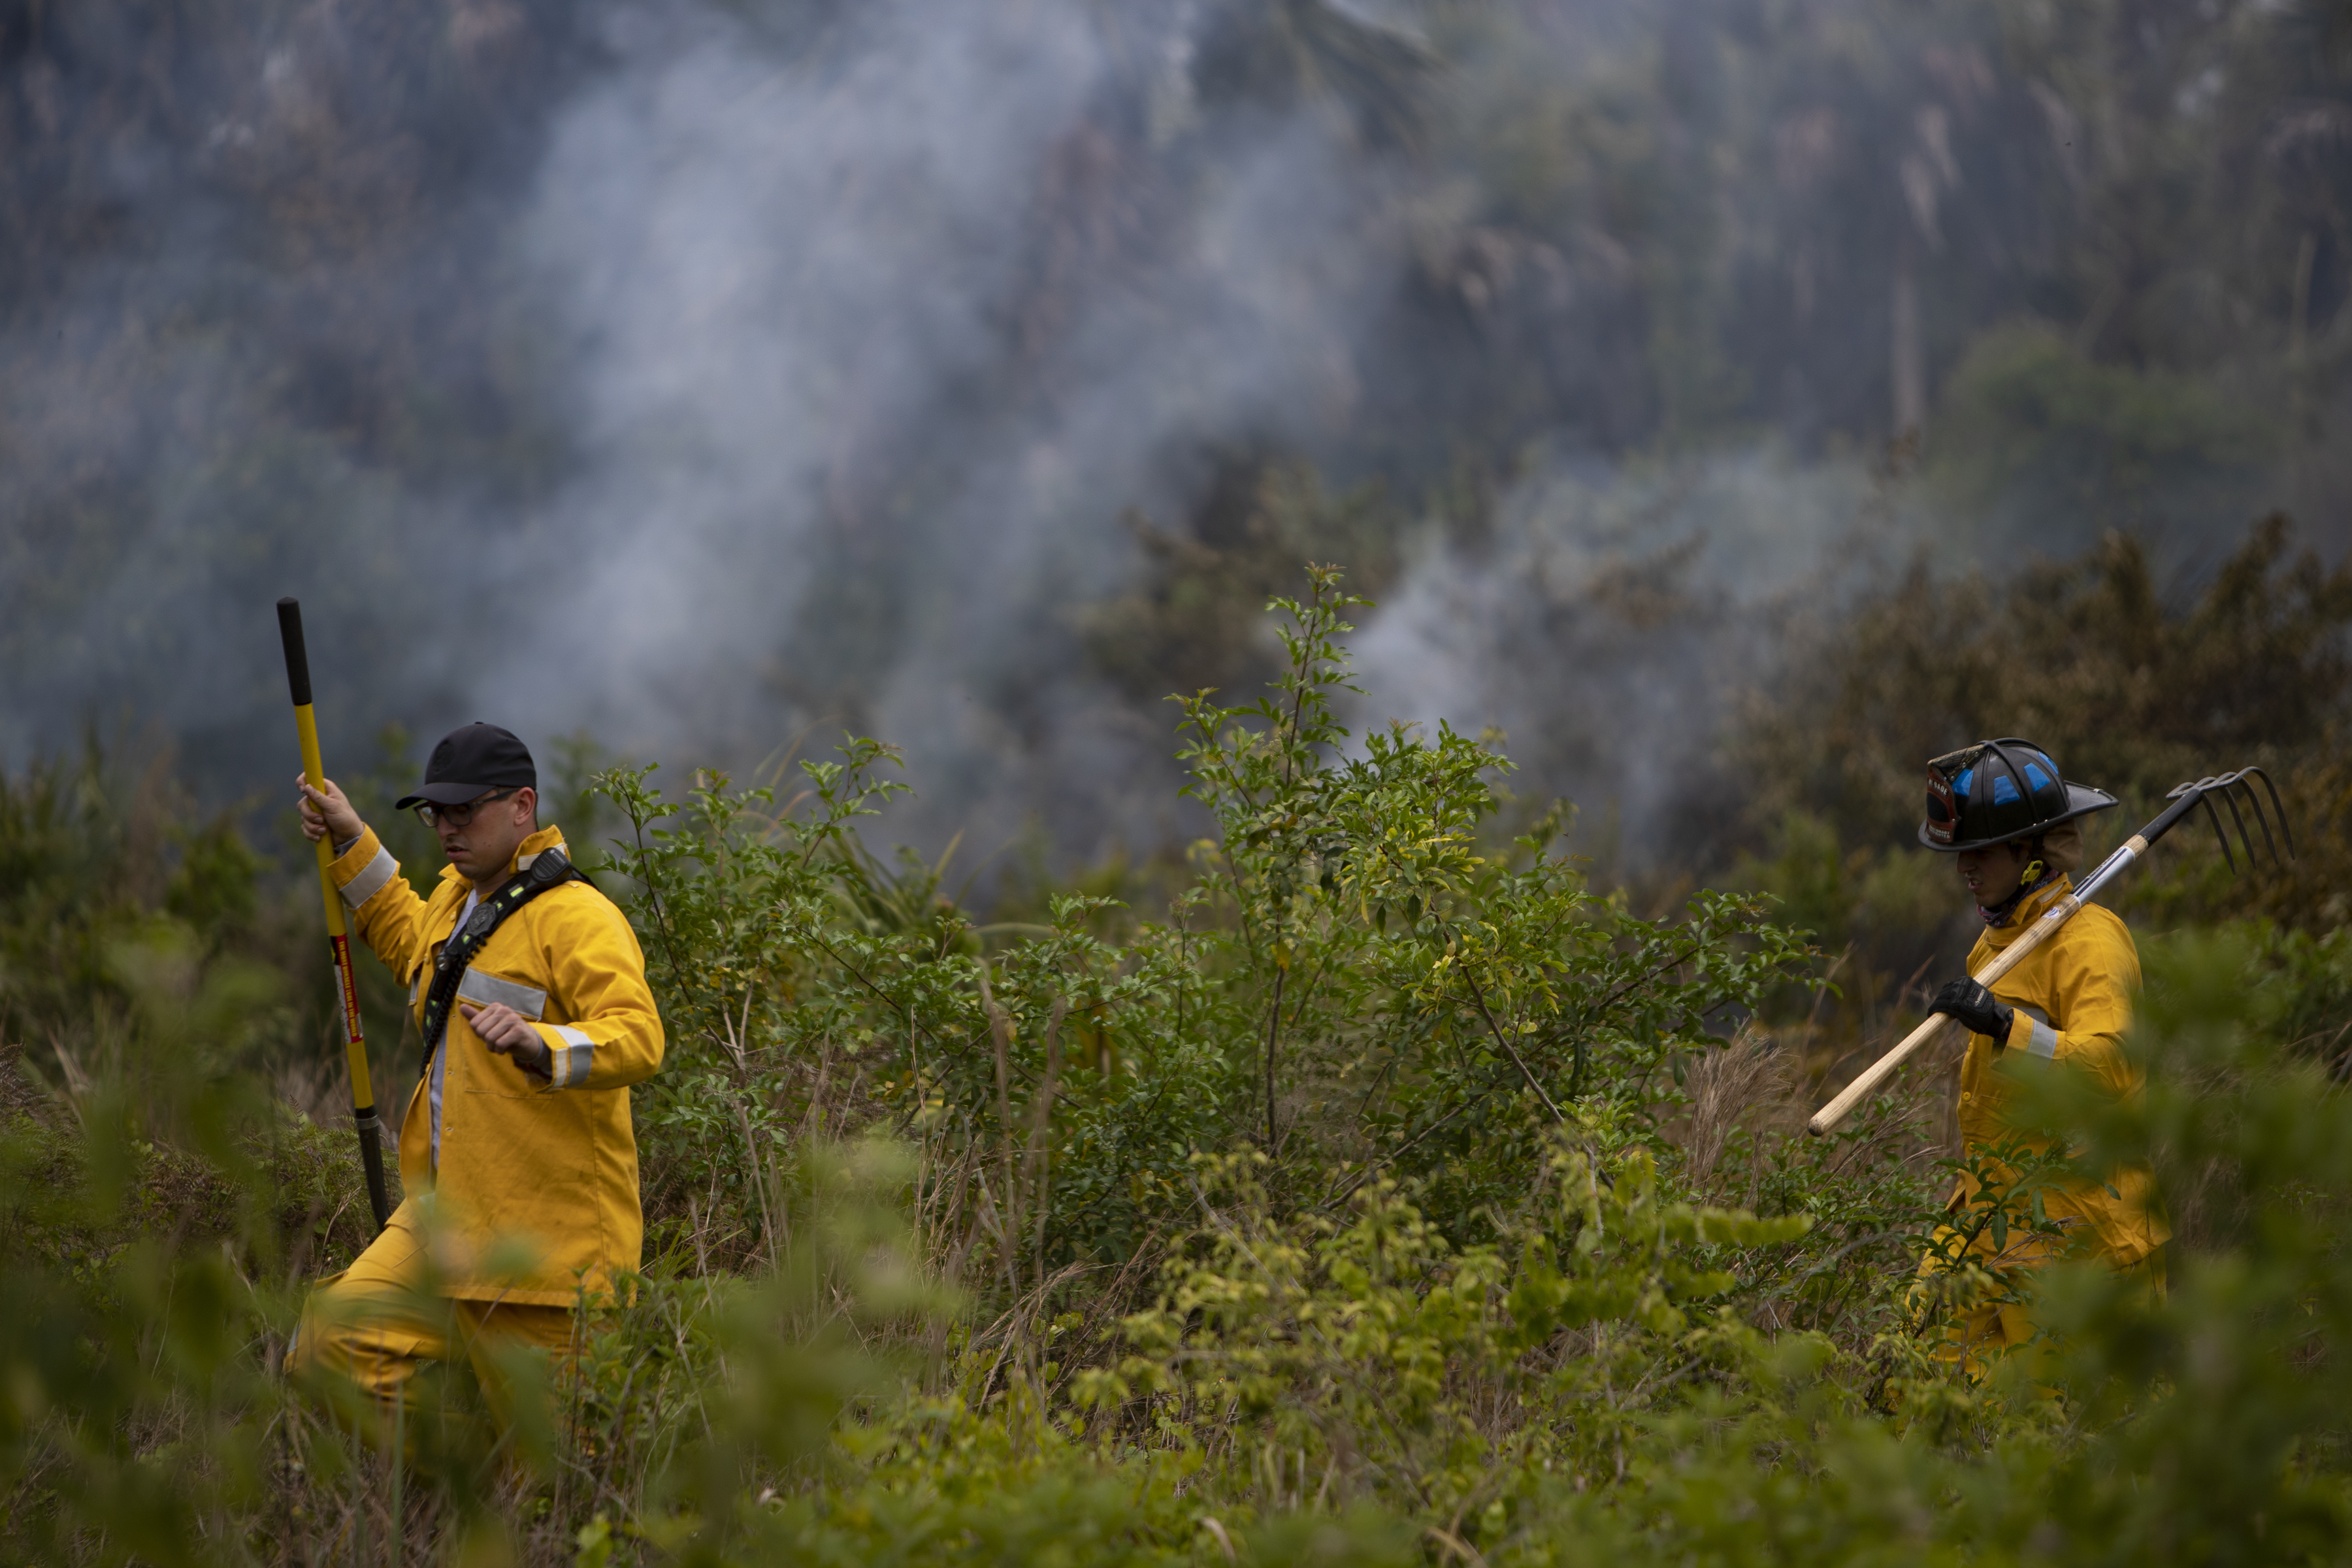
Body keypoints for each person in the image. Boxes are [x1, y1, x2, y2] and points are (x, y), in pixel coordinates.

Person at [287, 721, 664, 1422]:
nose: (448, 829)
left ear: (522, 806)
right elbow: (410, 943)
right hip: (447, 1225)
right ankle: (453, 1495)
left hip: (549, 1260)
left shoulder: (581, 918)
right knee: (327, 1345)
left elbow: (640, 1037)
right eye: (438, 814)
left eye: (466, 811)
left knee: (551, 1493)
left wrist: (543, 1043)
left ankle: (489, 1511)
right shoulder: (458, 904)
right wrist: (351, 838)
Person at [1914, 737, 2167, 1374]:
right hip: (1990, 1216)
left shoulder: (2090, 944)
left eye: (1980, 851)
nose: (1965, 867)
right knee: (1914, 1380)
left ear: (2027, 850)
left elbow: (2109, 1071)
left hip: (2076, 1235)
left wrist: (2004, 1027)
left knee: (2075, 1436)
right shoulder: (1997, 945)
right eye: (1960, 852)